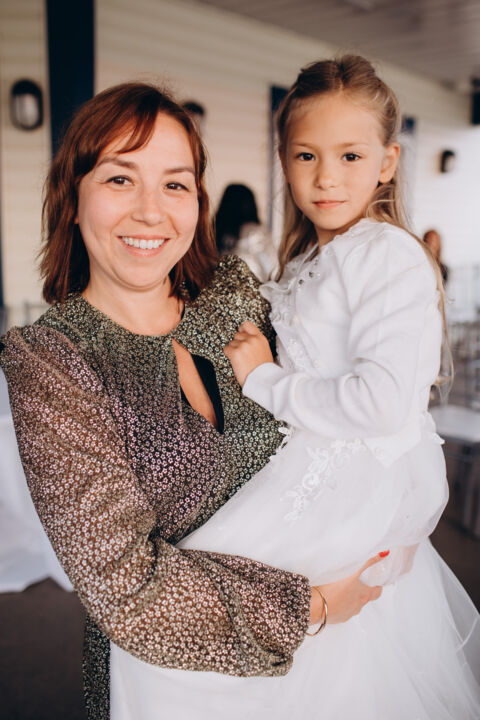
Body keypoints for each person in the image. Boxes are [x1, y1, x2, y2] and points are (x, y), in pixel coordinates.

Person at [0, 82, 386, 720]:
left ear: (198, 202)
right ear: (72, 198)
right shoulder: (52, 358)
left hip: (330, 662)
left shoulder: (232, 297)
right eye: (120, 179)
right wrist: (314, 608)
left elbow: (332, 416)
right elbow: (126, 589)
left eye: (175, 184)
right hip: (177, 680)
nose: (151, 212)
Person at [171, 56, 478, 717]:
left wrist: (264, 379)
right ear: (283, 160)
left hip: (348, 474)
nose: (326, 177)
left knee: (214, 594)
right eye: (306, 155)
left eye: (350, 156)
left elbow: (381, 403)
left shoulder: (387, 255)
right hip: (310, 455)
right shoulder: (315, 254)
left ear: (387, 163)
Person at [215, 183, 277, 281]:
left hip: (220, 286)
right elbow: (271, 267)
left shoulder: (214, 232)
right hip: (255, 286)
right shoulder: (256, 233)